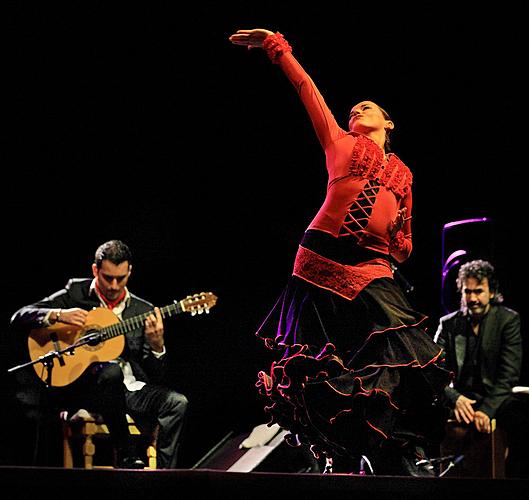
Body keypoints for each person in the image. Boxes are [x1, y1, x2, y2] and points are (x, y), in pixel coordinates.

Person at [228, 29, 451, 476]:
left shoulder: (404, 173)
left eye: (366, 106)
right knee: (328, 356)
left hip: (373, 267)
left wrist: (399, 235)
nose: (355, 110)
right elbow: (306, 88)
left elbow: (403, 248)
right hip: (322, 259)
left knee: (402, 351)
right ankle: (352, 450)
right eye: (353, 108)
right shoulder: (339, 142)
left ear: (389, 124)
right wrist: (277, 47)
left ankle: (380, 447)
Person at [9, 239, 188, 469]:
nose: (114, 285)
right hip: (84, 388)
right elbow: (20, 316)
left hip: (128, 389)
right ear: (95, 270)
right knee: (110, 371)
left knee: (177, 402)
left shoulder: (143, 310)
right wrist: (58, 314)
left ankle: (166, 476)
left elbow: (157, 375)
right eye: (107, 277)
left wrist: (157, 347)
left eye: (121, 278)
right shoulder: (75, 293)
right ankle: (126, 454)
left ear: (129, 272)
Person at [434, 259, 528, 478]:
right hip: (459, 399)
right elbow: (434, 371)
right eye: (468, 291)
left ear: (492, 291)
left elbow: (508, 375)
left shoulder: (508, 320)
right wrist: (454, 397)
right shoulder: (448, 324)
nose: (473, 298)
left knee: (519, 415)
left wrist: (486, 411)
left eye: (479, 291)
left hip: (494, 398)